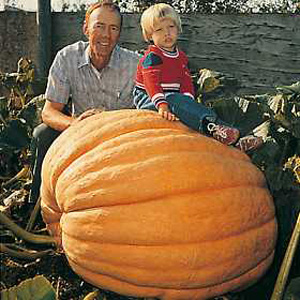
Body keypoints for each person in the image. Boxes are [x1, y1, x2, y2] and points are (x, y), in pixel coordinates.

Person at [29, 0, 139, 205]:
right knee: (42, 134)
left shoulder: (134, 65)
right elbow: (49, 111)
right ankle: (37, 205)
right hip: (77, 135)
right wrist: (75, 123)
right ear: (86, 28)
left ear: (119, 33)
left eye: (113, 28)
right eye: (99, 26)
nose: (106, 35)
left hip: (119, 141)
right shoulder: (67, 58)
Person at [133, 3, 263, 151]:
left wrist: (189, 99)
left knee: (191, 106)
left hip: (173, 98)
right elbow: (151, 82)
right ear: (149, 35)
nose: (166, 33)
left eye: (171, 27)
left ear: (178, 29)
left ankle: (236, 138)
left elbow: (185, 81)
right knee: (175, 100)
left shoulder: (181, 57)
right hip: (149, 98)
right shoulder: (153, 56)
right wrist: (162, 105)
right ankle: (212, 127)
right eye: (159, 30)